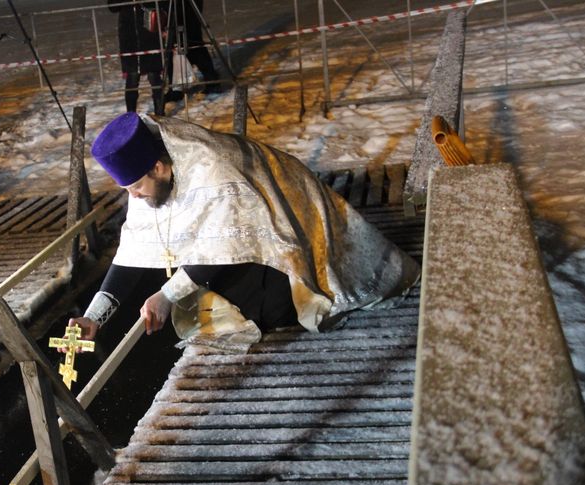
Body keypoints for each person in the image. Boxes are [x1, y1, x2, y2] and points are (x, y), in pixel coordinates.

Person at [69, 113, 420, 351]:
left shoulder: (212, 171)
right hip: (240, 244)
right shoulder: (150, 180)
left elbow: (223, 244)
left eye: (136, 188)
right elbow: (133, 252)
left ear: (158, 168)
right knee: (210, 302)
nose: (134, 198)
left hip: (287, 232)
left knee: (266, 309)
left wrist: (165, 295)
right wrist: (94, 315)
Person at [108, 0, 166, 115]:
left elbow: (161, 4)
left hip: (150, 34)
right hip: (129, 38)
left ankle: (160, 115)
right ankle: (130, 116)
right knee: (132, 80)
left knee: (155, 78)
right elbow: (112, 6)